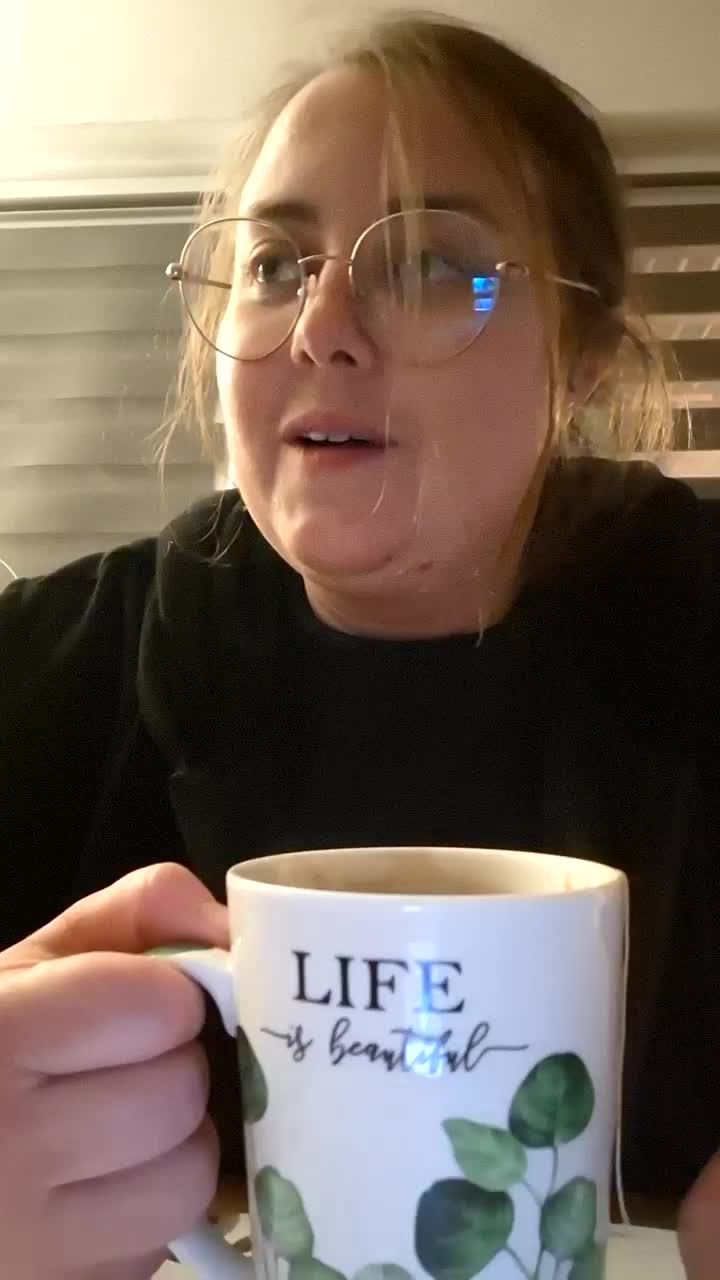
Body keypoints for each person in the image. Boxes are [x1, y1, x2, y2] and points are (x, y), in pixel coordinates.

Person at [1, 12, 718, 1278]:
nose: (319, 325)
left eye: (431, 262)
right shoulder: (45, 667)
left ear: (586, 357)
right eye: (276, 262)